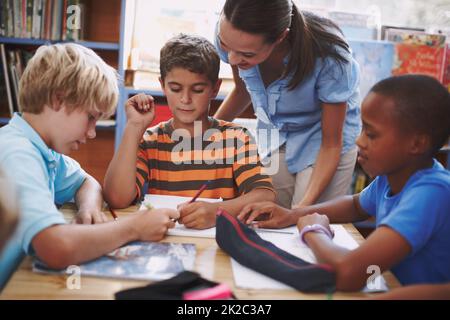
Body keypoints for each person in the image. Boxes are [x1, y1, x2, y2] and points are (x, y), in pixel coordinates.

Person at [239, 75, 450, 291]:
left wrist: (313, 230)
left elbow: (348, 274)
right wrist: (293, 215)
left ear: (416, 143)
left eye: (371, 134)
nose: (359, 141)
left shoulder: (432, 193)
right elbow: (356, 205)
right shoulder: (393, 176)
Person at [0, 43, 178, 289]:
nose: (92, 132)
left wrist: (89, 208)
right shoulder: (17, 154)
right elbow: (56, 247)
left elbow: (87, 181)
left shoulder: (44, 151)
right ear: (57, 100)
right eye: (91, 117)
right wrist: (135, 227)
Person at [103, 34, 275, 229]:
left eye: (198, 89)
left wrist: (217, 212)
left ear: (214, 88)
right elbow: (116, 199)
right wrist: (133, 128)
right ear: (163, 86)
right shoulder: (150, 140)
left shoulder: (237, 139)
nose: (185, 99)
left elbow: (264, 195)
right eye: (175, 89)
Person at [214, 0, 361, 209]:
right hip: (277, 133)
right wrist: (206, 138)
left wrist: (300, 211)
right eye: (225, 45)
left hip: (325, 140)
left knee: (305, 220)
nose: (233, 58)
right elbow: (241, 91)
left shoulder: (330, 56)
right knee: (265, 209)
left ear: (281, 36)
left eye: (247, 54)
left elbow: (331, 144)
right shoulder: (231, 33)